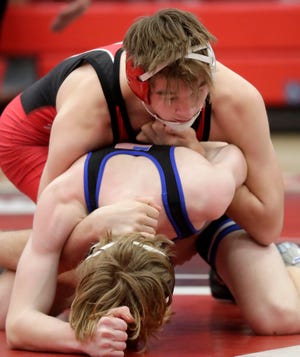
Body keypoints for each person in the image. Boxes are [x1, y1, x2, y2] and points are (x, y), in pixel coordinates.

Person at [0, 7, 288, 334]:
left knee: (155, 246)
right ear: (139, 85)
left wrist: (199, 155)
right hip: (32, 142)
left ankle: (210, 249)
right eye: (169, 96)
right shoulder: (90, 108)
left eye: (197, 91)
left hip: (174, 177)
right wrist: (96, 226)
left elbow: (267, 225)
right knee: (54, 275)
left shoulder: (235, 99)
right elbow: (53, 227)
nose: (187, 108)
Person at [5, 141, 247, 355]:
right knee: (18, 288)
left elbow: (236, 151)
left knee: (276, 314)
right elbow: (18, 324)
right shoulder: (65, 194)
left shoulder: (205, 191)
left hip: (159, 154)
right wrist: (84, 339)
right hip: (35, 135)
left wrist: (192, 143)